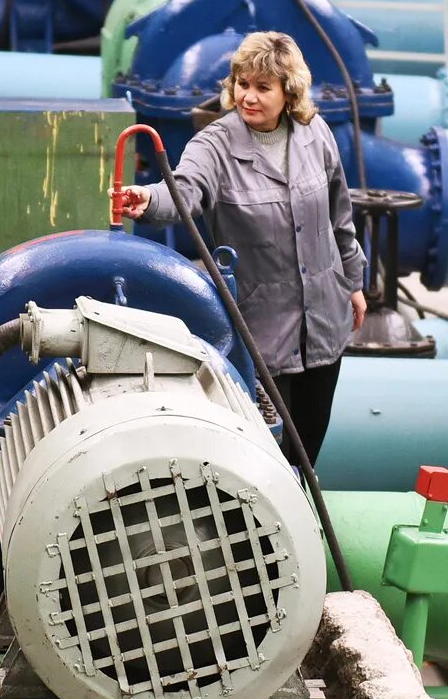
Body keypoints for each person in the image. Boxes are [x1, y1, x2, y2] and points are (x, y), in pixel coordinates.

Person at [112, 29, 367, 463]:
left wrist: (354, 283)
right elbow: (185, 189)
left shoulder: (315, 133)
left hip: (324, 321)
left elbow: (339, 215)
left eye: (262, 88)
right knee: (269, 457)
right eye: (242, 85)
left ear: (289, 92)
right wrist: (149, 198)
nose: (248, 97)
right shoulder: (216, 144)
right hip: (263, 330)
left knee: (309, 450)